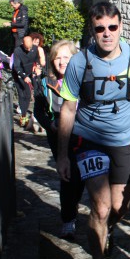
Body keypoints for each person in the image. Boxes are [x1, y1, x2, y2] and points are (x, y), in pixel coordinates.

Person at [56, 1, 130, 259]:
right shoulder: (79, 62)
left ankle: (108, 228)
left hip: (125, 141)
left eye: (112, 27)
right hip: (88, 140)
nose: (107, 34)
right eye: (100, 29)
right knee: (99, 207)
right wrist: (63, 155)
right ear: (92, 30)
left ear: (121, 27)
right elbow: (68, 109)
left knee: (119, 207)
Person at [33, 40, 86, 240]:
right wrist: (50, 124)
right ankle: (68, 220)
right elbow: (38, 111)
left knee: (79, 177)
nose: (62, 62)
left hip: (83, 135)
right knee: (67, 176)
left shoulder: (84, 80)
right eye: (58, 58)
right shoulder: (45, 83)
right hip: (59, 137)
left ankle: (72, 208)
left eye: (67, 57)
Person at [12, 36, 41, 127]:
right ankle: (23, 116)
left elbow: (37, 59)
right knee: (22, 94)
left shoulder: (35, 49)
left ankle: (24, 114)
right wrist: (23, 76)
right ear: (23, 44)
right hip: (19, 74)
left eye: (30, 47)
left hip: (29, 72)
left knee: (28, 95)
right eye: (26, 48)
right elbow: (16, 66)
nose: (28, 49)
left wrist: (37, 66)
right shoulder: (17, 51)